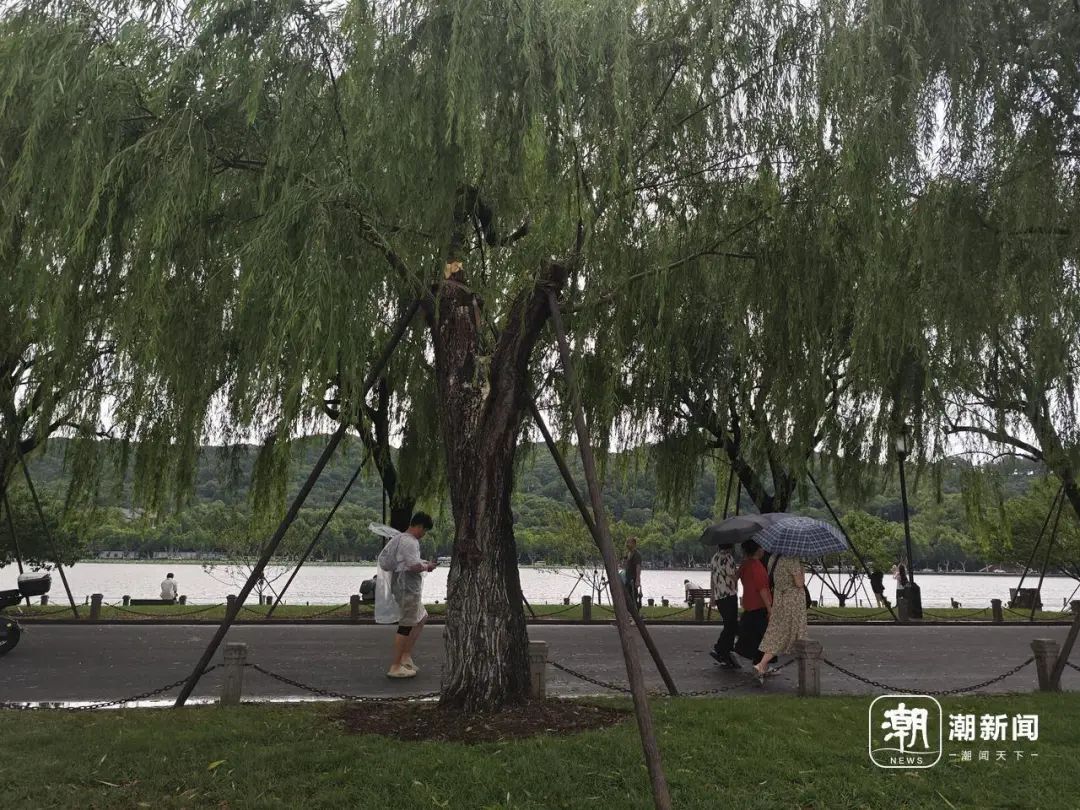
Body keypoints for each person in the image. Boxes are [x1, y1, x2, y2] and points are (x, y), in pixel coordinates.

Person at [377, 512, 436, 679]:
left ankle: (405, 655)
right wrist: (427, 566)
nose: (424, 534)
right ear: (419, 526)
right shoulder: (410, 541)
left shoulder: (400, 538)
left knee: (422, 617)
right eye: (425, 530)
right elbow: (412, 565)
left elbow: (406, 562)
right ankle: (395, 665)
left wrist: (423, 563)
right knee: (406, 624)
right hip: (407, 589)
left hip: (405, 586)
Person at [754, 554, 808, 683]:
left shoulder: (774, 558)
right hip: (792, 601)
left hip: (779, 599)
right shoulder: (792, 559)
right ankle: (762, 664)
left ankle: (763, 664)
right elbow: (799, 583)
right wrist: (802, 570)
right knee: (787, 632)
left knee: (775, 631)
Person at [734, 539, 771, 664]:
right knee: (763, 636)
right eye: (761, 548)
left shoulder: (746, 564)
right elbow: (762, 590)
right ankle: (761, 664)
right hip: (758, 605)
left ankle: (755, 660)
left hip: (748, 603)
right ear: (757, 550)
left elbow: (735, 577)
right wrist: (770, 608)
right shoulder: (757, 567)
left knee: (751, 634)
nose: (763, 550)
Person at [708, 544, 740, 668]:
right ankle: (720, 648)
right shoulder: (728, 558)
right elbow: (733, 576)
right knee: (730, 625)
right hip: (729, 594)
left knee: (729, 624)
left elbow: (713, 577)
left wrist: (712, 596)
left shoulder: (714, 558)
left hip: (719, 595)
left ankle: (726, 651)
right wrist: (738, 574)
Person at [622, 537, 643, 610]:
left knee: (633, 597)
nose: (627, 544)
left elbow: (638, 567)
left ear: (634, 544)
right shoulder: (628, 554)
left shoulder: (637, 554)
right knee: (627, 597)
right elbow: (625, 566)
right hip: (627, 579)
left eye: (629, 542)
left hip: (633, 579)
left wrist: (637, 580)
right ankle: (629, 614)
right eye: (626, 542)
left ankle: (636, 614)